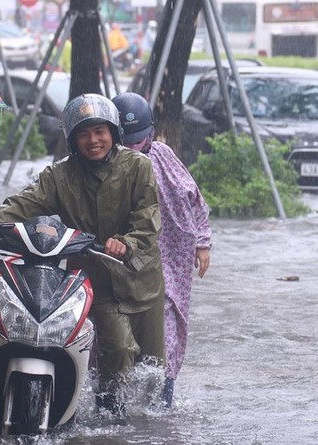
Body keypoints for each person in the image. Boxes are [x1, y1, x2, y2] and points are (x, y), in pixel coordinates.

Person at [0, 93, 165, 414]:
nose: (93, 140)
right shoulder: (59, 175)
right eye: (83, 133)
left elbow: (149, 215)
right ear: (72, 140)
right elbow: (23, 203)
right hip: (95, 279)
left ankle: (159, 422)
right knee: (119, 350)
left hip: (141, 276)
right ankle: (109, 418)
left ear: (114, 132)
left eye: (100, 131)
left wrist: (126, 241)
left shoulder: (138, 167)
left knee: (155, 365)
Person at [112, 92, 212, 408]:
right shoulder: (104, 164)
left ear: (150, 134)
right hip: (124, 262)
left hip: (171, 260)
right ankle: (113, 405)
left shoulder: (163, 156)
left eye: (138, 140)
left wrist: (203, 242)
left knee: (167, 331)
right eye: (126, 141)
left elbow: (193, 198)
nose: (133, 147)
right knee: (117, 335)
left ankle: (161, 405)